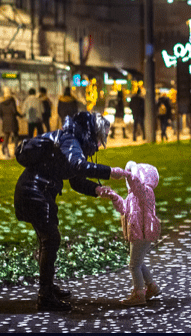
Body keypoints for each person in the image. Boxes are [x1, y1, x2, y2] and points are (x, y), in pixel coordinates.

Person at [13, 111, 128, 311]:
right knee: (50, 239)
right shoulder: (69, 139)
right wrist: (110, 172)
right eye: (100, 139)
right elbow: (79, 165)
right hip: (34, 192)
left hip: (39, 191)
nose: (100, 145)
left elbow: (75, 179)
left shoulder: (70, 140)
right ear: (91, 132)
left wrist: (97, 189)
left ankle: (47, 288)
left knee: (48, 240)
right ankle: (45, 295)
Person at [105, 161, 162, 306]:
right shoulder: (133, 195)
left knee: (133, 265)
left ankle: (139, 294)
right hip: (137, 233)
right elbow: (123, 208)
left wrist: (127, 172)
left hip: (143, 233)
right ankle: (151, 287)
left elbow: (136, 183)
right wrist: (113, 195)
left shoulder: (145, 191)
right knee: (138, 262)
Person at [0, 87, 22, 159]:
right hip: (12, 121)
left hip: (5, 122)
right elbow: (14, 111)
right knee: (15, 136)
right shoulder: (12, 101)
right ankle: (16, 150)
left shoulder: (1, 103)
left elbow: (1, 114)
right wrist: (21, 115)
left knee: (6, 137)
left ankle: (6, 152)